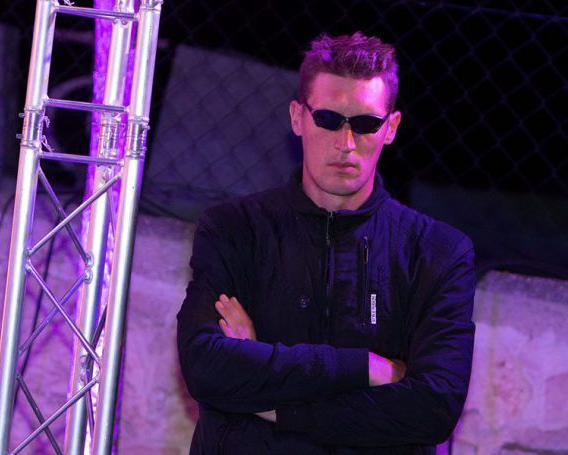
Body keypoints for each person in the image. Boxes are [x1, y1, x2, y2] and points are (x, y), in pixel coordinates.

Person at [176, 31, 475, 454]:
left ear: (391, 128)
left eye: (366, 124)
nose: (346, 143)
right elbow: (206, 369)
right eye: (329, 120)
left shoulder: (438, 252)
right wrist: (367, 367)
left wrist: (270, 397)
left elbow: (433, 408)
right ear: (297, 117)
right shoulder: (233, 229)